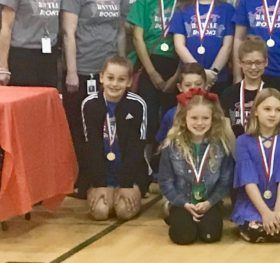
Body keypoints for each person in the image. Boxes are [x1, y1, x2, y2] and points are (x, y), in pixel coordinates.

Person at [61, 0, 128, 148]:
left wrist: (123, 63)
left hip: (109, 72)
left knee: (108, 124)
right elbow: (68, 32)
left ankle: (107, 169)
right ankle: (85, 173)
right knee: (81, 126)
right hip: (83, 70)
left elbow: (120, 32)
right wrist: (71, 71)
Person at [158, 88, 235, 245]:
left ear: (212, 120)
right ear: (184, 118)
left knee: (210, 236)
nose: (199, 123)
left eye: (205, 118)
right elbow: (165, 181)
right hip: (181, 202)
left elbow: (225, 181)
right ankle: (175, 216)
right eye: (194, 118)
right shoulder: (171, 145)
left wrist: (209, 203)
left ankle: (200, 220)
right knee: (184, 237)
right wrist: (184, 204)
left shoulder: (221, 145)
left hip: (209, 203)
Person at [128, 0, 192, 140]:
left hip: (177, 65)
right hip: (149, 63)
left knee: (174, 118)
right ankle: (146, 161)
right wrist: (152, 73)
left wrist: (176, 76)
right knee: (148, 119)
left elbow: (188, 41)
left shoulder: (186, 2)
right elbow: (137, 38)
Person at [78, 56, 149, 221]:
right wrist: (99, 183)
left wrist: (126, 184)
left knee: (124, 212)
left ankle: (129, 191)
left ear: (129, 82)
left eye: (121, 79)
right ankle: (107, 192)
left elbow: (137, 147)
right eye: (110, 78)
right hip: (102, 173)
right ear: (101, 77)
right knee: (101, 212)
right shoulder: (89, 104)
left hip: (130, 173)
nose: (115, 84)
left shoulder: (137, 105)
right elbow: (91, 146)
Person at [232, 88, 280, 242]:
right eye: (267, 109)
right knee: (255, 231)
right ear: (256, 111)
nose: (273, 114)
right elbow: (248, 180)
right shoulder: (243, 141)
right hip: (254, 203)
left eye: (278, 110)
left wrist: (277, 212)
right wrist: (265, 212)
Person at [170, 0, 234, 92]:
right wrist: (200, 74)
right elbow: (179, 46)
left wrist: (213, 72)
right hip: (189, 80)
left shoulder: (228, 10)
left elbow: (227, 46)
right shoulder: (182, 10)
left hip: (217, 77)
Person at [221, 36, 267, 138]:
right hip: (235, 148)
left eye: (258, 62)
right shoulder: (229, 93)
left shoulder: (272, 92)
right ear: (240, 63)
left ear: (266, 62)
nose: (253, 67)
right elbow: (226, 128)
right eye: (248, 63)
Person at [154, 62, 209, 147]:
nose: (193, 88)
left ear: (205, 85)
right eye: (188, 85)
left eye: (198, 84)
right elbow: (161, 144)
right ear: (180, 87)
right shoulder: (171, 115)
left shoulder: (214, 113)